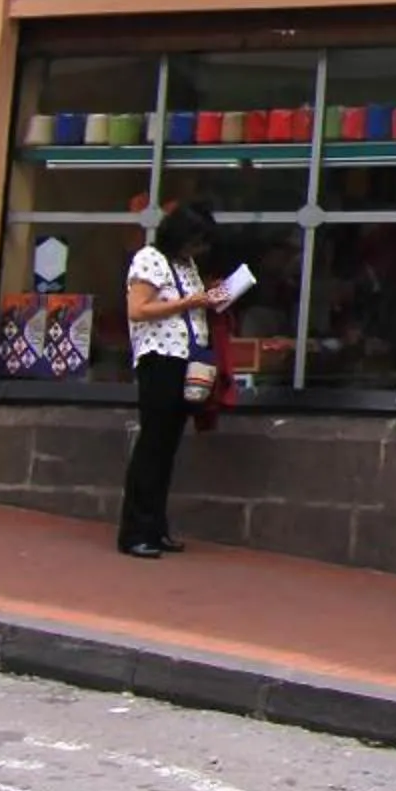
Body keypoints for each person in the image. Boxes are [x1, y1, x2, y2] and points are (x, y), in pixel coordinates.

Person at [119, 201, 228, 559]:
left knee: (167, 448)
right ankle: (135, 530)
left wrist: (212, 299)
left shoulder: (186, 265)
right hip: (159, 359)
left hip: (186, 358)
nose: (200, 250)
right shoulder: (150, 259)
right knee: (152, 445)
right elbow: (138, 309)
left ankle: (156, 526)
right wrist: (189, 301)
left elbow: (191, 305)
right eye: (197, 241)